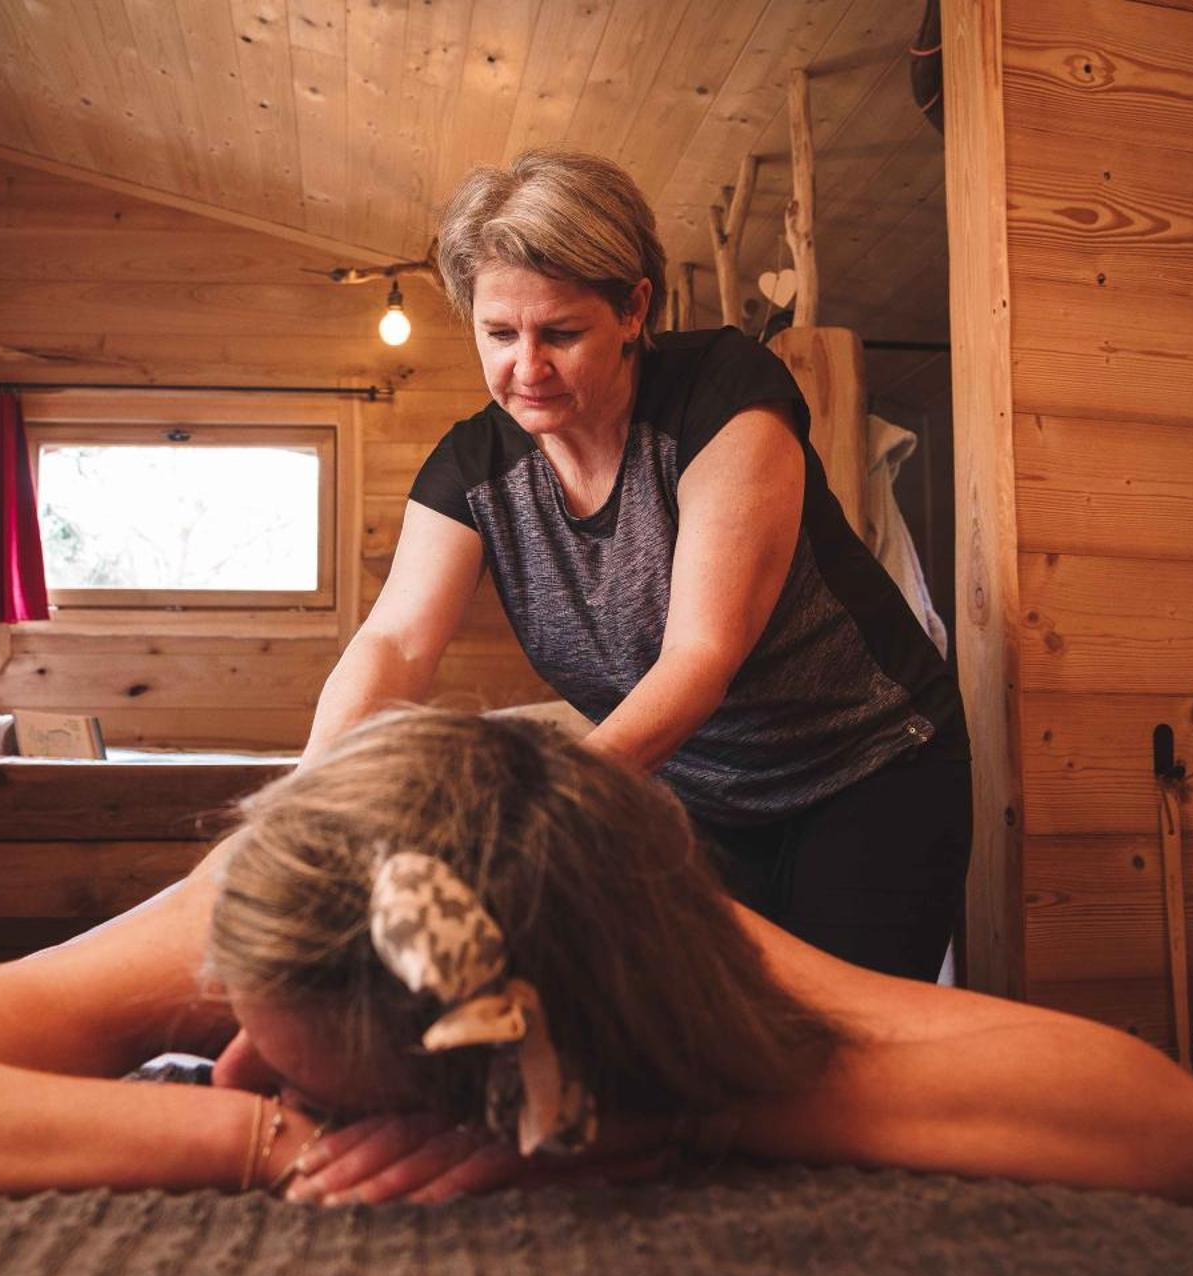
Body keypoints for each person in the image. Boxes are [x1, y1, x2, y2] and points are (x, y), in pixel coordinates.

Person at [0, 708, 1193, 1224]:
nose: (247, 1063)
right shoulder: (253, 902)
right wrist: (247, 1135)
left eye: (296, 1071)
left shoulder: (675, 944)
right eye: (249, 1041)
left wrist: (663, 1116)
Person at [305, 149, 969, 981]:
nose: (527, 368)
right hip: (704, 800)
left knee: (837, 1045)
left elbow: (699, 657)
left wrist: (533, 811)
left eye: (562, 333)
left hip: (870, 769)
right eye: (499, 334)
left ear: (633, 309)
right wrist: (305, 802)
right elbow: (394, 645)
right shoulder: (472, 471)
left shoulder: (722, 394)